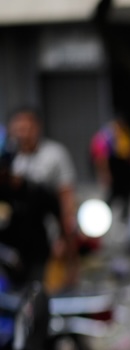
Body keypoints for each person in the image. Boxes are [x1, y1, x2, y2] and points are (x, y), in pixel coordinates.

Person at [5, 107, 78, 288]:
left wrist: (65, 234)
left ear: (38, 128)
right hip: (13, 233)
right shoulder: (8, 156)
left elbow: (65, 194)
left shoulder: (54, 154)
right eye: (19, 129)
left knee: (46, 284)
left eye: (27, 128)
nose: (23, 134)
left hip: (46, 229)